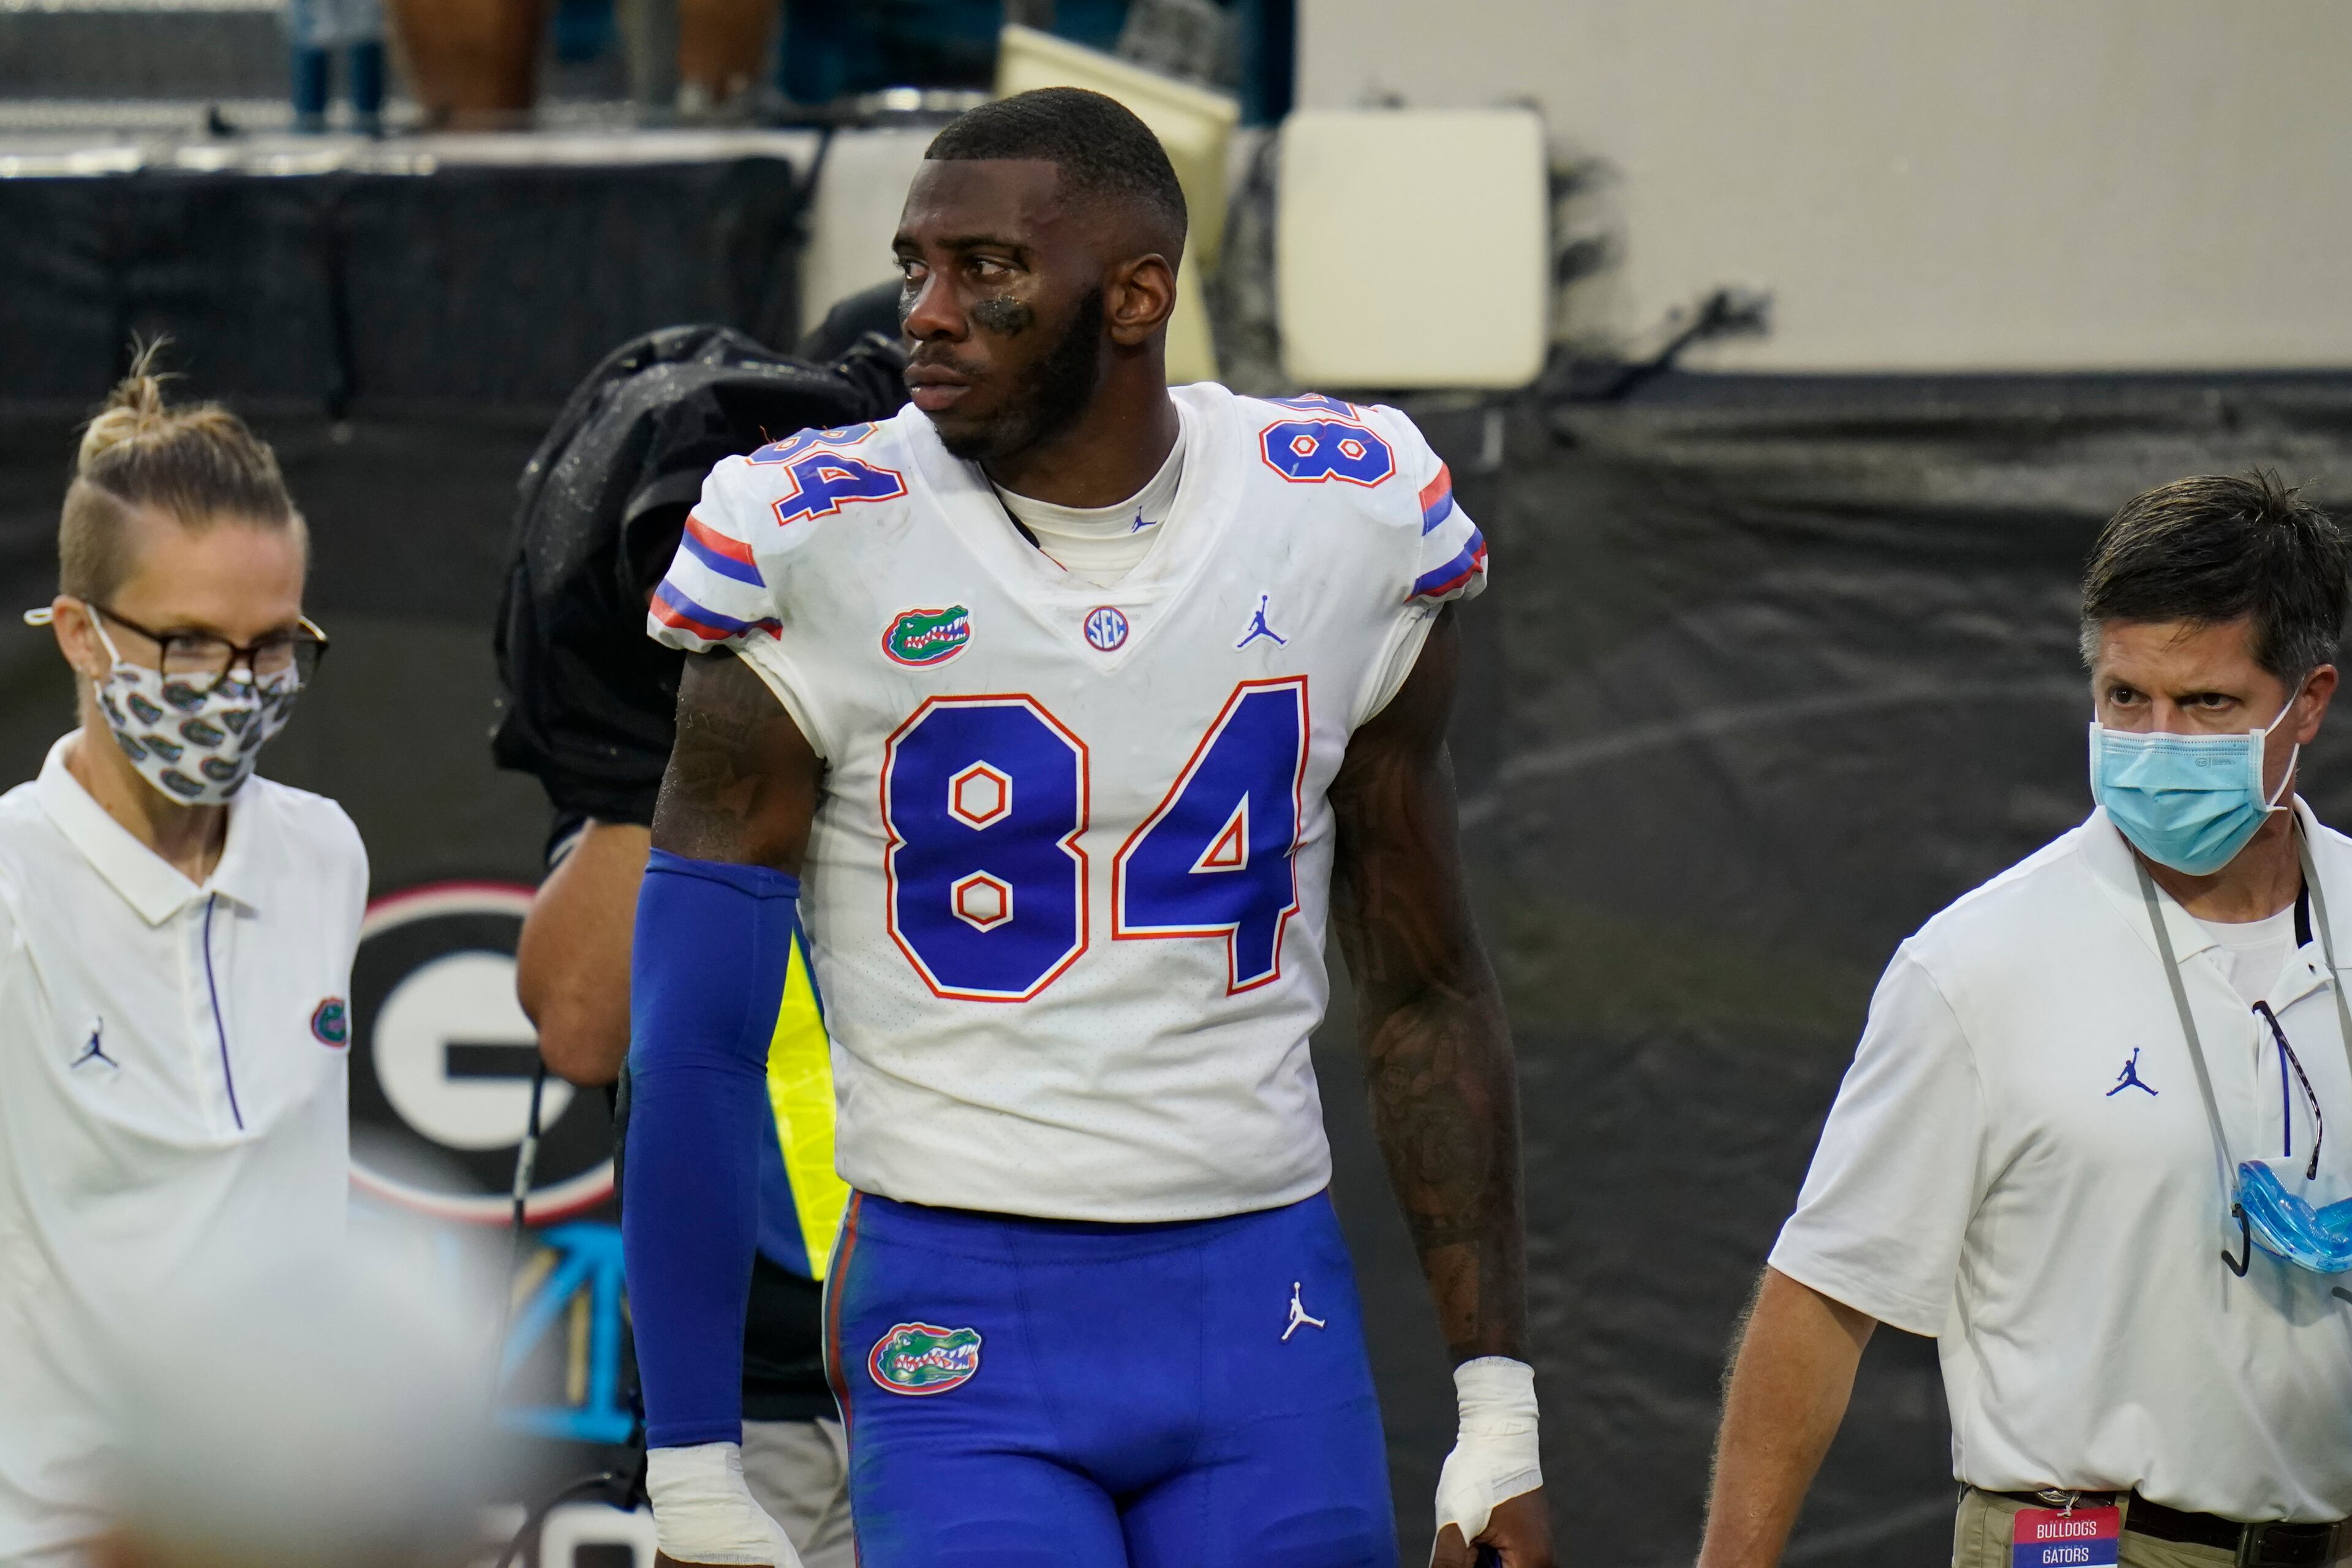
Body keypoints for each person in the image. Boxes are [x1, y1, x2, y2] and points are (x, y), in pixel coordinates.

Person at [622, 87, 1551, 1567]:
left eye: (984, 269)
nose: (925, 312)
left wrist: (1496, 1406)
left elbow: (1426, 982)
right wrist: (691, 1465)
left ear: (1136, 295)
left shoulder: (1348, 515)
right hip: (958, 1290)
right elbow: (693, 1037)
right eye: (915, 262)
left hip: (1265, 1297)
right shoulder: (809, 538)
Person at [1695, 472, 2352, 1568]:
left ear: (2310, 703)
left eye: (2208, 706)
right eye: (2124, 698)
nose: (2157, 742)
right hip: (2083, 1546)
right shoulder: (1976, 966)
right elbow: (1822, 1296)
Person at [499, 306, 909, 1568]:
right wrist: (676, 720)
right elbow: (579, 1020)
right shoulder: (710, 722)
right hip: (753, 1398)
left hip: (982, 1366)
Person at [0, 356, 363, 1565]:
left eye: (272, 647)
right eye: (192, 643)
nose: (239, 687)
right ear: (80, 634)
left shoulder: (327, 853)